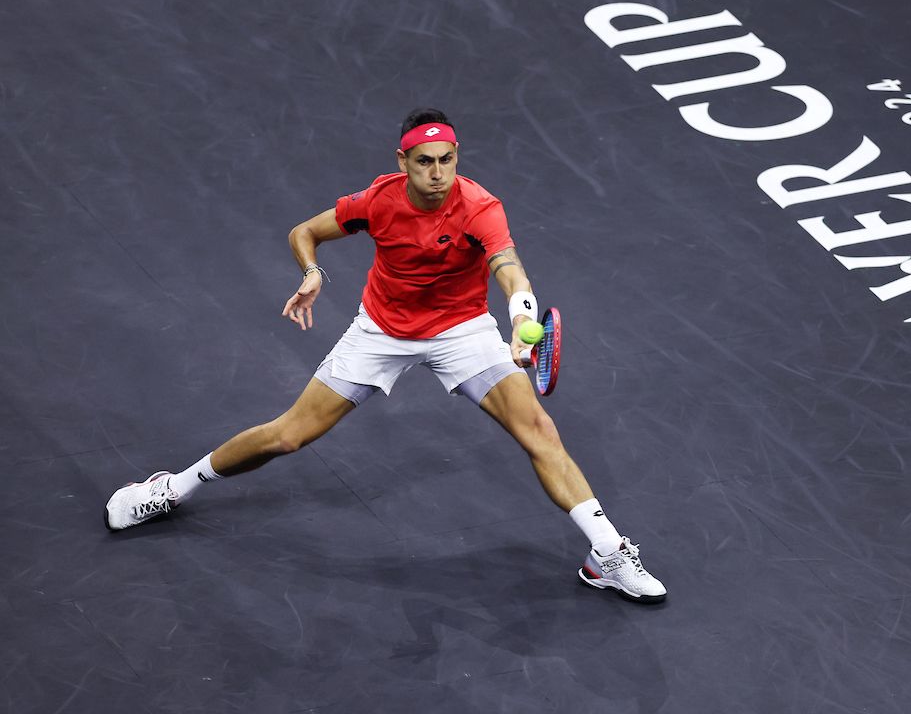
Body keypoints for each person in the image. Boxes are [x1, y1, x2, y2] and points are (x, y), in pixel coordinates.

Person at [104, 108, 667, 604]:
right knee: (288, 436)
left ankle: (606, 555)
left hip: (461, 330)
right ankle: (174, 487)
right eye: (424, 161)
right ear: (402, 161)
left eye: (447, 160)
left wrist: (522, 318)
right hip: (382, 330)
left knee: (539, 430)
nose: (438, 173)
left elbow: (509, 267)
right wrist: (312, 272)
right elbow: (306, 231)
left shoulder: (479, 207)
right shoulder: (376, 202)